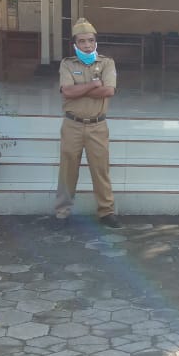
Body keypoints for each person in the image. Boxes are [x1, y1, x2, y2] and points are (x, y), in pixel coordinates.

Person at [55, 18, 121, 229]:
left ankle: (106, 212)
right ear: (75, 44)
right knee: (67, 171)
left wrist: (79, 89)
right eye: (82, 41)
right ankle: (62, 213)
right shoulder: (67, 64)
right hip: (72, 125)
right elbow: (67, 91)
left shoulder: (107, 63)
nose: (87, 45)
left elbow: (108, 90)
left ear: (95, 42)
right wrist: (93, 84)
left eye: (91, 40)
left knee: (101, 170)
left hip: (97, 126)